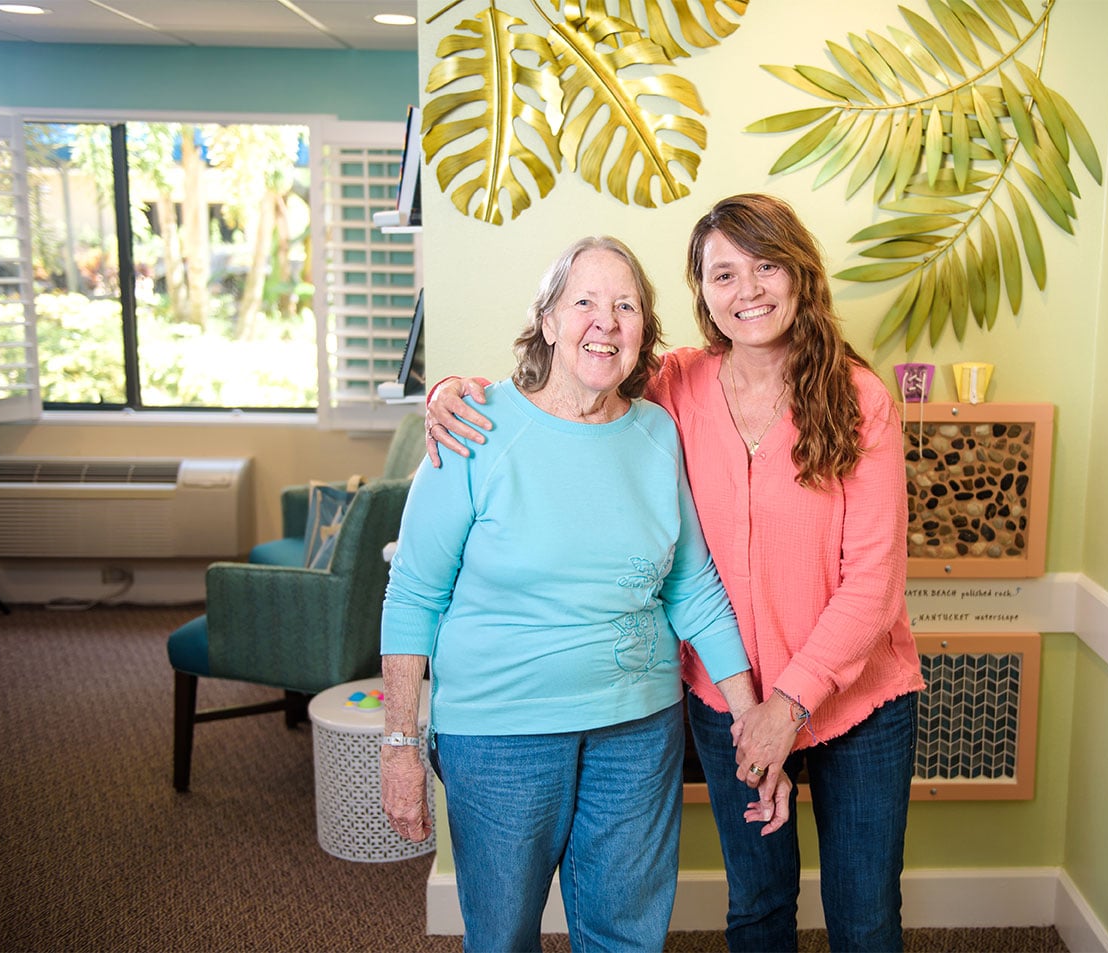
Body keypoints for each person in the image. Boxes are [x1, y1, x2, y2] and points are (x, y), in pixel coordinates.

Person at [426, 195, 925, 952]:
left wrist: (784, 709)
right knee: (758, 904)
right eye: (724, 273)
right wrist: (456, 395)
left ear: (800, 275)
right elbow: (577, 380)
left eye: (765, 266)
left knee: (864, 917)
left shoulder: (861, 400)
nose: (747, 289)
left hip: (856, 702)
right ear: (702, 292)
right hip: (729, 698)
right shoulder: (677, 387)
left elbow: (874, 582)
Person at [379, 235, 791, 953]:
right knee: (503, 937)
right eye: (585, 302)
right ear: (546, 319)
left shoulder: (656, 433)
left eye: (625, 305)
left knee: (627, 939)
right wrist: (398, 746)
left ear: (643, 332)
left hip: (637, 731)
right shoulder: (475, 426)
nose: (606, 321)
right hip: (498, 735)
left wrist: (751, 715)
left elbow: (692, 587)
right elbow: (414, 595)